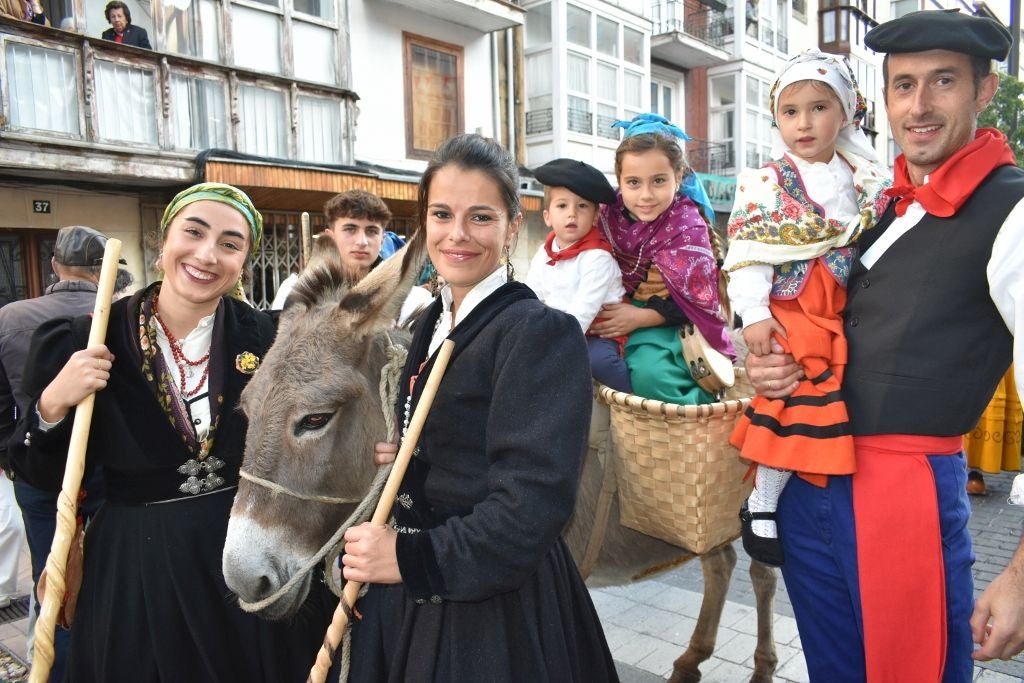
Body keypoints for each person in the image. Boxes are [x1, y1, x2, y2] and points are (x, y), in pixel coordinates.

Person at [746, 10, 1024, 680]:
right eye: (903, 86)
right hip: (809, 482)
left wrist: (1020, 573)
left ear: (984, 91)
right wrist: (768, 358)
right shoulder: (881, 201)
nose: (919, 106)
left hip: (902, 492)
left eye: (942, 82)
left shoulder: (1012, 209)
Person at [7, 183, 334, 681]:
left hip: (244, 556)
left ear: (244, 261)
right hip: (136, 569)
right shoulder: (86, 338)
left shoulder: (273, 338)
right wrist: (53, 404)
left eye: (230, 243)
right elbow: (37, 472)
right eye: (194, 232)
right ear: (164, 242)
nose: (207, 254)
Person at [341, 133, 618, 682]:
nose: (458, 234)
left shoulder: (540, 332)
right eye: (442, 214)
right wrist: (409, 457)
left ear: (514, 226)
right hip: (415, 591)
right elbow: (460, 442)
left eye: (481, 217)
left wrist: (409, 559)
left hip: (491, 612)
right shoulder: (429, 320)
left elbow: (532, 505)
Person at [722, 49, 891, 567]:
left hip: (839, 301)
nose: (804, 123)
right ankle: (764, 498)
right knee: (796, 383)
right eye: (790, 112)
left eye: (819, 107)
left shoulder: (867, 179)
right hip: (791, 304)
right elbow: (748, 249)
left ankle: (777, 495)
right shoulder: (767, 182)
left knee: (821, 390)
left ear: (846, 113)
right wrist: (752, 314)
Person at [0, 226, 117, 683]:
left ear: (54, 265)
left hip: (35, 466)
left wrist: (11, 456)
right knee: (102, 580)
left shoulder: (10, 316)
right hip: (106, 471)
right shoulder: (111, 314)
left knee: (52, 582)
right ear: (103, 270)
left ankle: (50, 665)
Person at [591, 112, 733, 405]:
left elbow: (700, 302)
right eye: (633, 182)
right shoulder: (606, 214)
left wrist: (641, 317)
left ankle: (695, 423)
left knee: (650, 376)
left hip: (667, 323)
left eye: (658, 181)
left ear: (678, 178)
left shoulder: (687, 226)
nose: (645, 195)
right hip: (610, 311)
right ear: (618, 181)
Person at [524, 158, 631, 392]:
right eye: (562, 206)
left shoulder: (597, 257)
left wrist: (552, 345)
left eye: (582, 206)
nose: (572, 214)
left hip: (597, 333)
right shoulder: (544, 253)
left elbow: (583, 311)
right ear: (547, 216)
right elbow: (532, 296)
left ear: (595, 217)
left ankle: (633, 400)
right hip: (559, 330)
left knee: (598, 361)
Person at [272, 189, 392, 309]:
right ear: (331, 237)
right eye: (350, 229)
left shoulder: (403, 296)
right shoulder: (295, 289)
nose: (362, 242)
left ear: (382, 240)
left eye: (371, 231)